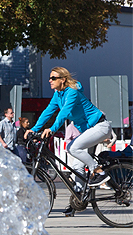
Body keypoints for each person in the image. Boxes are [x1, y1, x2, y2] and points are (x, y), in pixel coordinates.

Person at [31, 66, 114, 215]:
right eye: (49, 78)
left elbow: (65, 112)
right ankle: (79, 198)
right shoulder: (58, 94)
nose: (50, 80)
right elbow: (48, 111)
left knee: (72, 148)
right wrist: (34, 129)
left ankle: (99, 172)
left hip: (100, 126)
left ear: (63, 80)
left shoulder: (72, 92)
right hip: (88, 130)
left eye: (53, 78)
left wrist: (52, 129)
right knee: (77, 165)